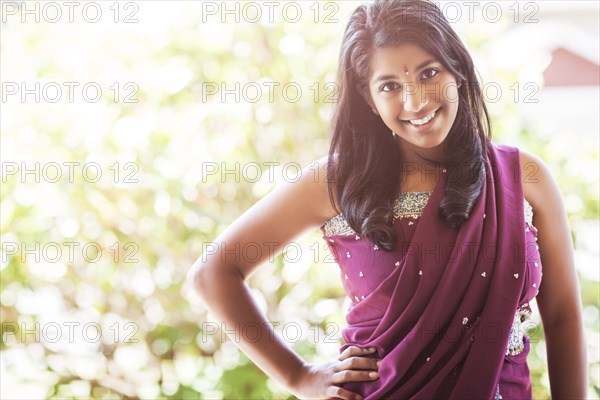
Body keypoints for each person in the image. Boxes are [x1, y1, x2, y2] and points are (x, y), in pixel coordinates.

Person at [187, 0, 587, 398]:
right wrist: (298, 376)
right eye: (390, 86)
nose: (415, 101)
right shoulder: (337, 181)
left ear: (458, 69)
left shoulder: (523, 178)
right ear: (367, 97)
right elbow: (214, 273)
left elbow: (562, 316)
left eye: (429, 73)